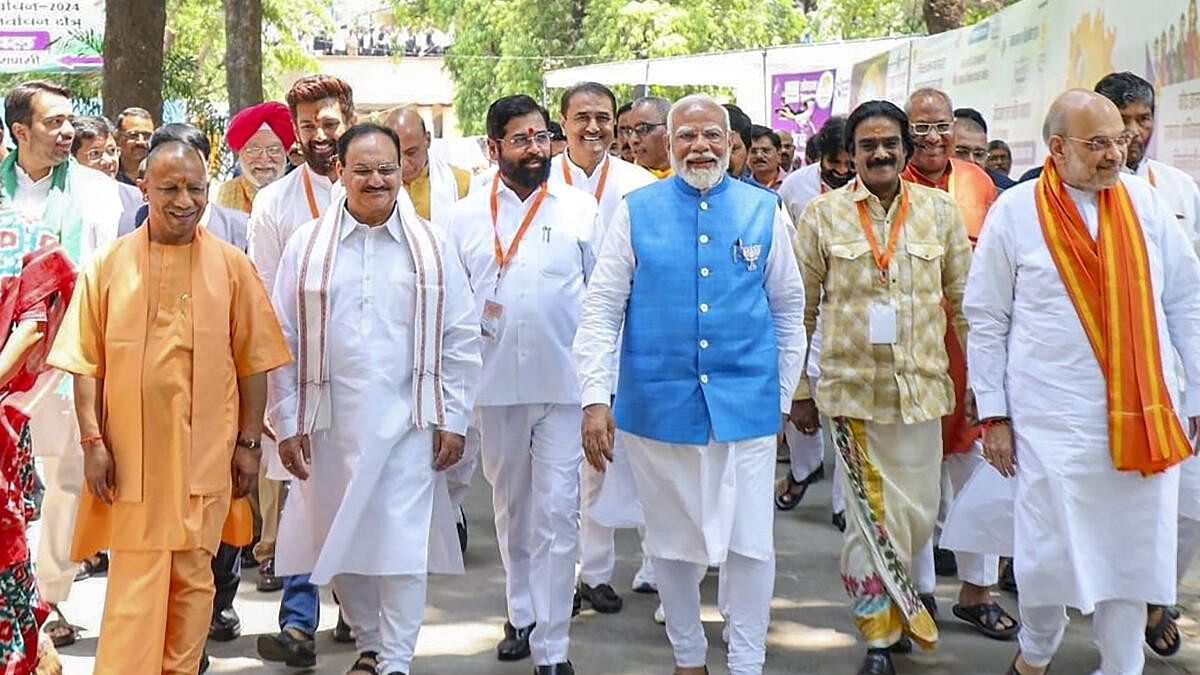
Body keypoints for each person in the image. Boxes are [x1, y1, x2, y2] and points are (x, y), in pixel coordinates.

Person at [964, 88, 1200, 675]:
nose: (1114, 155)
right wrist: (993, 414)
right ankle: (1036, 653)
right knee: (1048, 552)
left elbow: (1186, 302)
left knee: (1132, 555)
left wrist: (1194, 393)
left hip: (1144, 416)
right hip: (1050, 421)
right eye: (1097, 144)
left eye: (1119, 140)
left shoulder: (1145, 206)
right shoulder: (1016, 213)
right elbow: (987, 317)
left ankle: (1121, 666)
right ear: (1057, 148)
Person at [574, 93, 805, 675]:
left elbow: (788, 309)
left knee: (750, 544)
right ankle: (688, 658)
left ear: (731, 145)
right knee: (672, 545)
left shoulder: (764, 211)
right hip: (658, 406)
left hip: (746, 408)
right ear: (667, 145)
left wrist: (778, 398)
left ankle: (746, 661)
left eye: (711, 136)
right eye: (686, 136)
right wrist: (595, 398)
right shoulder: (636, 209)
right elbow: (602, 309)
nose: (699, 146)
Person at [46, 135, 291, 675]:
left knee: (194, 582)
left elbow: (255, 362)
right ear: (144, 188)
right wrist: (93, 442)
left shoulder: (232, 266)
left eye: (196, 189)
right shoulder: (108, 266)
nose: (184, 201)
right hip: (132, 461)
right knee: (136, 584)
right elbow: (85, 363)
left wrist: (250, 445)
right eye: (170, 188)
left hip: (206, 459)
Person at [270, 122, 480, 675]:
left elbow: (460, 335)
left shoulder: (432, 246)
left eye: (386, 168)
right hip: (329, 425)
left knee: (402, 547)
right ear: (338, 172)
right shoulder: (306, 244)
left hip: (409, 421)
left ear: (404, 171)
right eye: (361, 169)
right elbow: (283, 338)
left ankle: (396, 663)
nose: (376, 180)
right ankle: (369, 641)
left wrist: (454, 419)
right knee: (339, 539)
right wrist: (286, 419)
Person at [793, 99, 971, 675]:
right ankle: (876, 634)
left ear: (905, 147)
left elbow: (967, 306)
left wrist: (986, 386)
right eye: (867, 145)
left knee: (918, 515)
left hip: (921, 392)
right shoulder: (822, 216)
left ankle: (900, 607)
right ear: (852, 153)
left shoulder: (941, 213)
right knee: (869, 520)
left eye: (890, 142)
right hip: (854, 396)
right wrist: (797, 385)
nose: (880, 153)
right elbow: (799, 309)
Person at [447, 94, 599, 675]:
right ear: (494, 148)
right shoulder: (463, 217)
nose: (536, 149)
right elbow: (455, 315)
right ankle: (521, 612)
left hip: (565, 386)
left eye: (542, 137)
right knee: (512, 509)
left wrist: (599, 395)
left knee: (560, 514)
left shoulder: (579, 209)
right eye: (522, 139)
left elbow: (603, 302)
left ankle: (554, 648)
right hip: (494, 389)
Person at [2, 80, 124, 651]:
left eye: (70, 120)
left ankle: (47, 596)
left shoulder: (99, 193)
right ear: (20, 131)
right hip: (3, 360)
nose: (67, 131)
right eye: (53, 122)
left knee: (64, 481)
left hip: (62, 360)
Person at [249, 73, 357, 668]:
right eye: (308, 125)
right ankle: (297, 623)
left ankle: (355, 605)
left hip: (365, 377)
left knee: (354, 495)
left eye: (329, 123)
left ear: (349, 119)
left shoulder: (371, 187)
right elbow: (265, 302)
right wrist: (273, 400)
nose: (319, 135)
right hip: (300, 377)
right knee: (300, 496)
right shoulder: (275, 203)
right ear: (294, 131)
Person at [1094, 69, 1200, 656]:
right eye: (1121, 120)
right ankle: (1126, 613)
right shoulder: (1058, 195)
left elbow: (1190, 292)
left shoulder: (1178, 189)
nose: (1133, 133)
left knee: (1189, 506)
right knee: (1125, 510)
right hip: (1107, 381)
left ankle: (1159, 592)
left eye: (1143, 119)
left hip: (1174, 375)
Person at [901, 89, 1011, 641]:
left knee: (977, 474)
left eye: (940, 126)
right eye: (920, 129)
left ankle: (977, 590)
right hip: (910, 351)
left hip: (971, 349)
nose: (933, 139)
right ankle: (917, 593)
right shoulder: (887, 184)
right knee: (918, 477)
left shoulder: (978, 184)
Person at [550, 82, 657, 613]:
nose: (594, 127)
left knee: (605, 460)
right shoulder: (540, 181)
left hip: (620, 339)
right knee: (557, 467)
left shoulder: (639, 185)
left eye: (604, 117)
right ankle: (559, 574)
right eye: (583, 117)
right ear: (562, 122)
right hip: (553, 339)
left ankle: (595, 571)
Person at [775, 116, 852, 522]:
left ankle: (845, 504)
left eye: (847, 166)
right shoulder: (795, 189)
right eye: (832, 166)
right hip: (802, 304)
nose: (841, 173)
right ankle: (804, 468)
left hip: (849, 313)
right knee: (796, 393)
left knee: (846, 415)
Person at [384, 106, 470, 226]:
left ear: (428, 140)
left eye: (411, 152)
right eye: (395, 154)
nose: (403, 163)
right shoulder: (376, 186)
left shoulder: (462, 182)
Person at [215, 101, 294, 214]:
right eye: (254, 150)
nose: (264, 158)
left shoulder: (299, 190)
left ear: (286, 153)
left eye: (273, 150)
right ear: (240, 153)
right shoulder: (228, 193)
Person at [70, 115, 143, 225]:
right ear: (72, 158)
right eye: (95, 154)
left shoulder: (137, 200)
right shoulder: (62, 200)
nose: (108, 161)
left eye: (112, 151)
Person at [953, 108, 1015, 191]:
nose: (972, 160)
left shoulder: (1004, 195)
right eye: (961, 152)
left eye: (979, 154)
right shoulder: (931, 193)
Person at [624, 96, 672, 178]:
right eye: (629, 131)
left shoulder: (692, 176)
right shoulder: (623, 179)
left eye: (643, 128)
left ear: (669, 128)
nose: (633, 140)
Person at [113, 107, 154, 185]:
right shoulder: (108, 173)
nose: (141, 141)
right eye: (133, 135)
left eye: (147, 136)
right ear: (117, 138)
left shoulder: (161, 175)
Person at [748, 125, 785, 190]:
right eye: (753, 151)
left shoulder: (792, 183)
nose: (759, 156)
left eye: (765, 151)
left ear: (779, 154)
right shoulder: (743, 186)